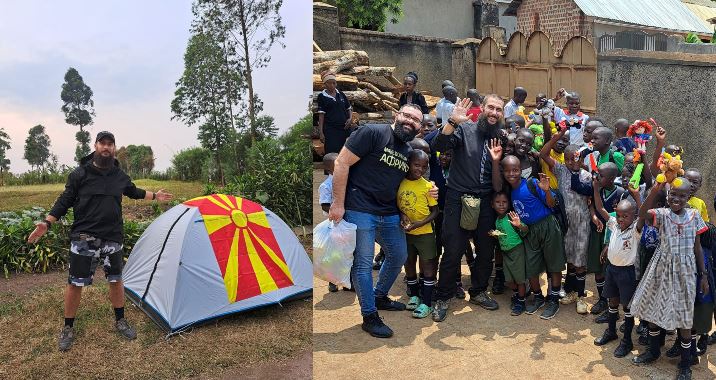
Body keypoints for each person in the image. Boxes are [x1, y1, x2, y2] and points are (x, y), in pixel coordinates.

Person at [26, 131, 173, 352]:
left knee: (116, 279)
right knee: (76, 283)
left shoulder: (118, 175)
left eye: (110, 144)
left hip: (112, 236)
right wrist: (47, 223)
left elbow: (133, 192)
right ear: (95, 146)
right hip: (84, 237)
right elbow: (65, 200)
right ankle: (68, 327)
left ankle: (120, 321)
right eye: (102, 143)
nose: (106, 147)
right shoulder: (80, 174)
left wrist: (155, 196)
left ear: (114, 148)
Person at [328, 103, 433, 338]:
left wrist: (411, 204)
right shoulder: (373, 132)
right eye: (406, 116)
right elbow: (341, 162)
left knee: (398, 255)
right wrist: (337, 203)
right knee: (363, 263)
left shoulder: (408, 150)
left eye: (415, 120)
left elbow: (404, 183)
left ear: (418, 127)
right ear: (396, 115)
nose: (410, 121)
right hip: (360, 208)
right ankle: (369, 315)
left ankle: (379, 295)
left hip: (389, 212)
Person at [430, 95, 505, 322]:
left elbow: (499, 180)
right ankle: (443, 296)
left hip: (485, 201)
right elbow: (438, 146)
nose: (494, 112)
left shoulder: (501, 138)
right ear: (482, 108)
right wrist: (452, 122)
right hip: (458, 198)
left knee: (485, 249)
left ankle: (479, 291)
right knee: (453, 249)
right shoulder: (465, 129)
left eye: (498, 110)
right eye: (490, 107)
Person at [629, 180, 709, 380]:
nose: (677, 199)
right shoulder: (662, 215)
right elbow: (641, 214)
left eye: (682, 195)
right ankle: (654, 351)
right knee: (655, 308)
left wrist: (704, 274)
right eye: (673, 194)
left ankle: (684, 363)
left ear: (688, 197)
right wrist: (655, 188)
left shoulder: (695, 216)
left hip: (686, 271)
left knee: (684, 317)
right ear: (668, 195)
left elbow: (697, 248)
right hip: (661, 268)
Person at [502, 158, 566, 320]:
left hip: (547, 225)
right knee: (531, 266)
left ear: (520, 170)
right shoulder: (509, 191)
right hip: (529, 231)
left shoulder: (532, 184)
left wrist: (545, 191)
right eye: (508, 170)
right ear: (503, 172)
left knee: (554, 264)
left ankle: (553, 300)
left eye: (515, 170)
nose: (511, 173)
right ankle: (538, 297)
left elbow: (551, 204)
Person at [540, 129, 591, 314]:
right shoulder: (561, 170)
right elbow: (544, 153)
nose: (572, 162)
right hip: (565, 222)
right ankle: (570, 292)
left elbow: (589, 199)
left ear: (581, 159)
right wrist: (558, 134)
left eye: (575, 159)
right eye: (568, 159)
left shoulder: (586, 176)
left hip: (582, 222)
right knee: (569, 258)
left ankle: (581, 297)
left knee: (580, 259)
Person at [592, 177, 642, 358]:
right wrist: (596, 188)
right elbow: (600, 209)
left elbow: (642, 213)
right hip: (612, 270)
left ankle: (627, 340)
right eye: (619, 215)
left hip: (627, 273)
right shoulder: (614, 224)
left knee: (627, 308)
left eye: (625, 216)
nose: (620, 219)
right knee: (612, 302)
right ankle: (611, 331)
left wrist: (636, 196)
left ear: (634, 217)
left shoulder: (636, 229)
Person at [398, 150, 439, 318]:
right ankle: (414, 295)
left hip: (425, 233)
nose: (420, 169)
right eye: (416, 165)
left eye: (424, 167)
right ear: (408, 163)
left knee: (428, 265)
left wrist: (418, 224)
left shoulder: (428, 186)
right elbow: (398, 205)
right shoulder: (399, 183)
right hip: (406, 232)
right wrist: (402, 216)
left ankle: (427, 302)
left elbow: (435, 211)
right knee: (408, 263)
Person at [490, 193, 529, 316]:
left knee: (519, 279)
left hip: (517, 251)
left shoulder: (511, 216)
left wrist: (519, 224)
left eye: (504, 202)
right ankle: (519, 294)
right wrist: (494, 234)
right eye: (498, 202)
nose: (501, 205)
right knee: (509, 280)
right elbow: (502, 234)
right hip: (506, 253)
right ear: (492, 205)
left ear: (509, 204)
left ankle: (521, 302)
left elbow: (525, 230)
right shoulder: (497, 220)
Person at [317, 70, 353, 154]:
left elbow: (349, 108)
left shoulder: (340, 94)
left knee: (345, 152)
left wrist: (350, 118)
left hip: (344, 128)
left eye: (334, 83)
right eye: (329, 83)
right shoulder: (322, 96)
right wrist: (321, 133)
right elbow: (321, 115)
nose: (332, 85)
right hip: (331, 130)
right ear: (325, 84)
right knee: (332, 153)